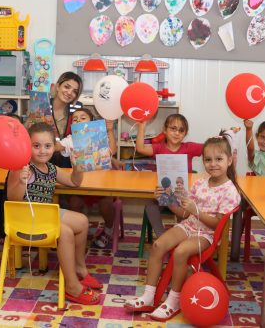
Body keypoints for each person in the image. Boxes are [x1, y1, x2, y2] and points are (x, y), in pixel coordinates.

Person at [125, 135, 241, 322]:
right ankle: (148, 296)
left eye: (218, 159)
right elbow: (184, 214)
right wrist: (167, 198)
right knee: (157, 245)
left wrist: (196, 211)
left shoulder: (230, 191)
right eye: (208, 160)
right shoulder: (201, 183)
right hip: (189, 225)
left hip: (207, 234)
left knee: (180, 253)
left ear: (230, 160)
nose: (213, 164)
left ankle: (174, 300)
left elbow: (218, 224)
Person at [7, 122, 101, 305]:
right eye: (37, 146)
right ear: (28, 146)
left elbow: (75, 183)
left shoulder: (51, 169)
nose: (43, 151)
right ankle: (72, 286)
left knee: (82, 221)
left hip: (45, 216)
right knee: (65, 231)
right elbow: (13, 199)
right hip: (24, 220)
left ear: (54, 147)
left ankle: (80, 268)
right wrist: (21, 181)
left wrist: (77, 166)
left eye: (48, 146)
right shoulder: (21, 167)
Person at [55, 108, 119, 248]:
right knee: (74, 203)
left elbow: (112, 151)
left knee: (105, 204)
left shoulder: (99, 135)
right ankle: (74, 231)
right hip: (80, 183)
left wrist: (109, 131)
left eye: (83, 118)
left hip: (102, 183)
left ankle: (108, 229)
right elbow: (56, 146)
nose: (78, 121)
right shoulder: (71, 139)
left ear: (92, 122)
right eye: (75, 119)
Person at [136, 114, 204, 238]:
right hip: (162, 193)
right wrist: (142, 127)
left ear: (185, 133)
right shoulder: (159, 148)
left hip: (182, 196)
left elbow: (209, 148)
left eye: (181, 130)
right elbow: (140, 148)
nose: (177, 133)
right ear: (165, 130)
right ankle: (162, 239)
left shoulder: (189, 147)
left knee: (184, 209)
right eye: (173, 128)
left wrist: (220, 138)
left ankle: (180, 236)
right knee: (150, 208)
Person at [49, 72, 83, 169]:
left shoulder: (78, 109)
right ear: (58, 86)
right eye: (67, 87)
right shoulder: (42, 105)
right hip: (43, 163)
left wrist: (111, 159)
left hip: (69, 166)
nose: (69, 93)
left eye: (74, 91)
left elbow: (85, 138)